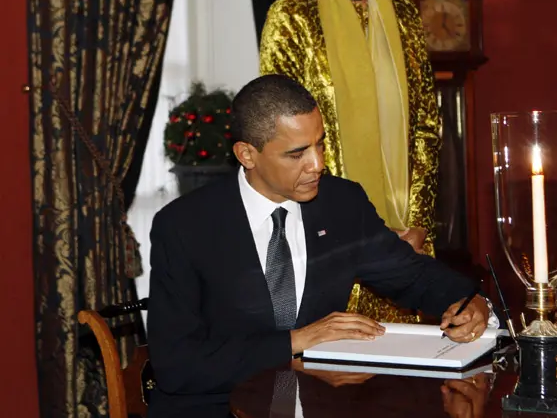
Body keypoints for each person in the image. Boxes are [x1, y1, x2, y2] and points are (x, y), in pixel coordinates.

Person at [147, 75, 493, 412]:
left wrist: (464, 298)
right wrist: (297, 340)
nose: (319, 164)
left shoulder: (341, 203)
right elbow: (177, 366)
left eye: (321, 143)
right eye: (297, 153)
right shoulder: (184, 227)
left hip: (319, 401)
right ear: (247, 155)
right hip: (217, 406)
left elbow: (410, 274)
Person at [259, 0, 440, 324]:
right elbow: (286, 141)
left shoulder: (404, 16)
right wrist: (351, 233)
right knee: (333, 385)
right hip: (327, 240)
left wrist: (415, 223)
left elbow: (426, 127)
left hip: (405, 238)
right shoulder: (292, 18)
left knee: (409, 386)